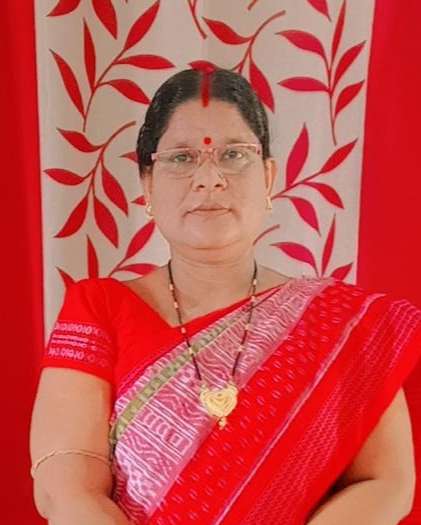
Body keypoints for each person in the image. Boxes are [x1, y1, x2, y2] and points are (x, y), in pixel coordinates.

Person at [30, 68, 421, 525]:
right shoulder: (99, 309)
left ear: (268, 177)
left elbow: (386, 482)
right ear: (147, 184)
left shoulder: (344, 324)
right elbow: (65, 485)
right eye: (182, 157)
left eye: (234, 154)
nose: (209, 178)